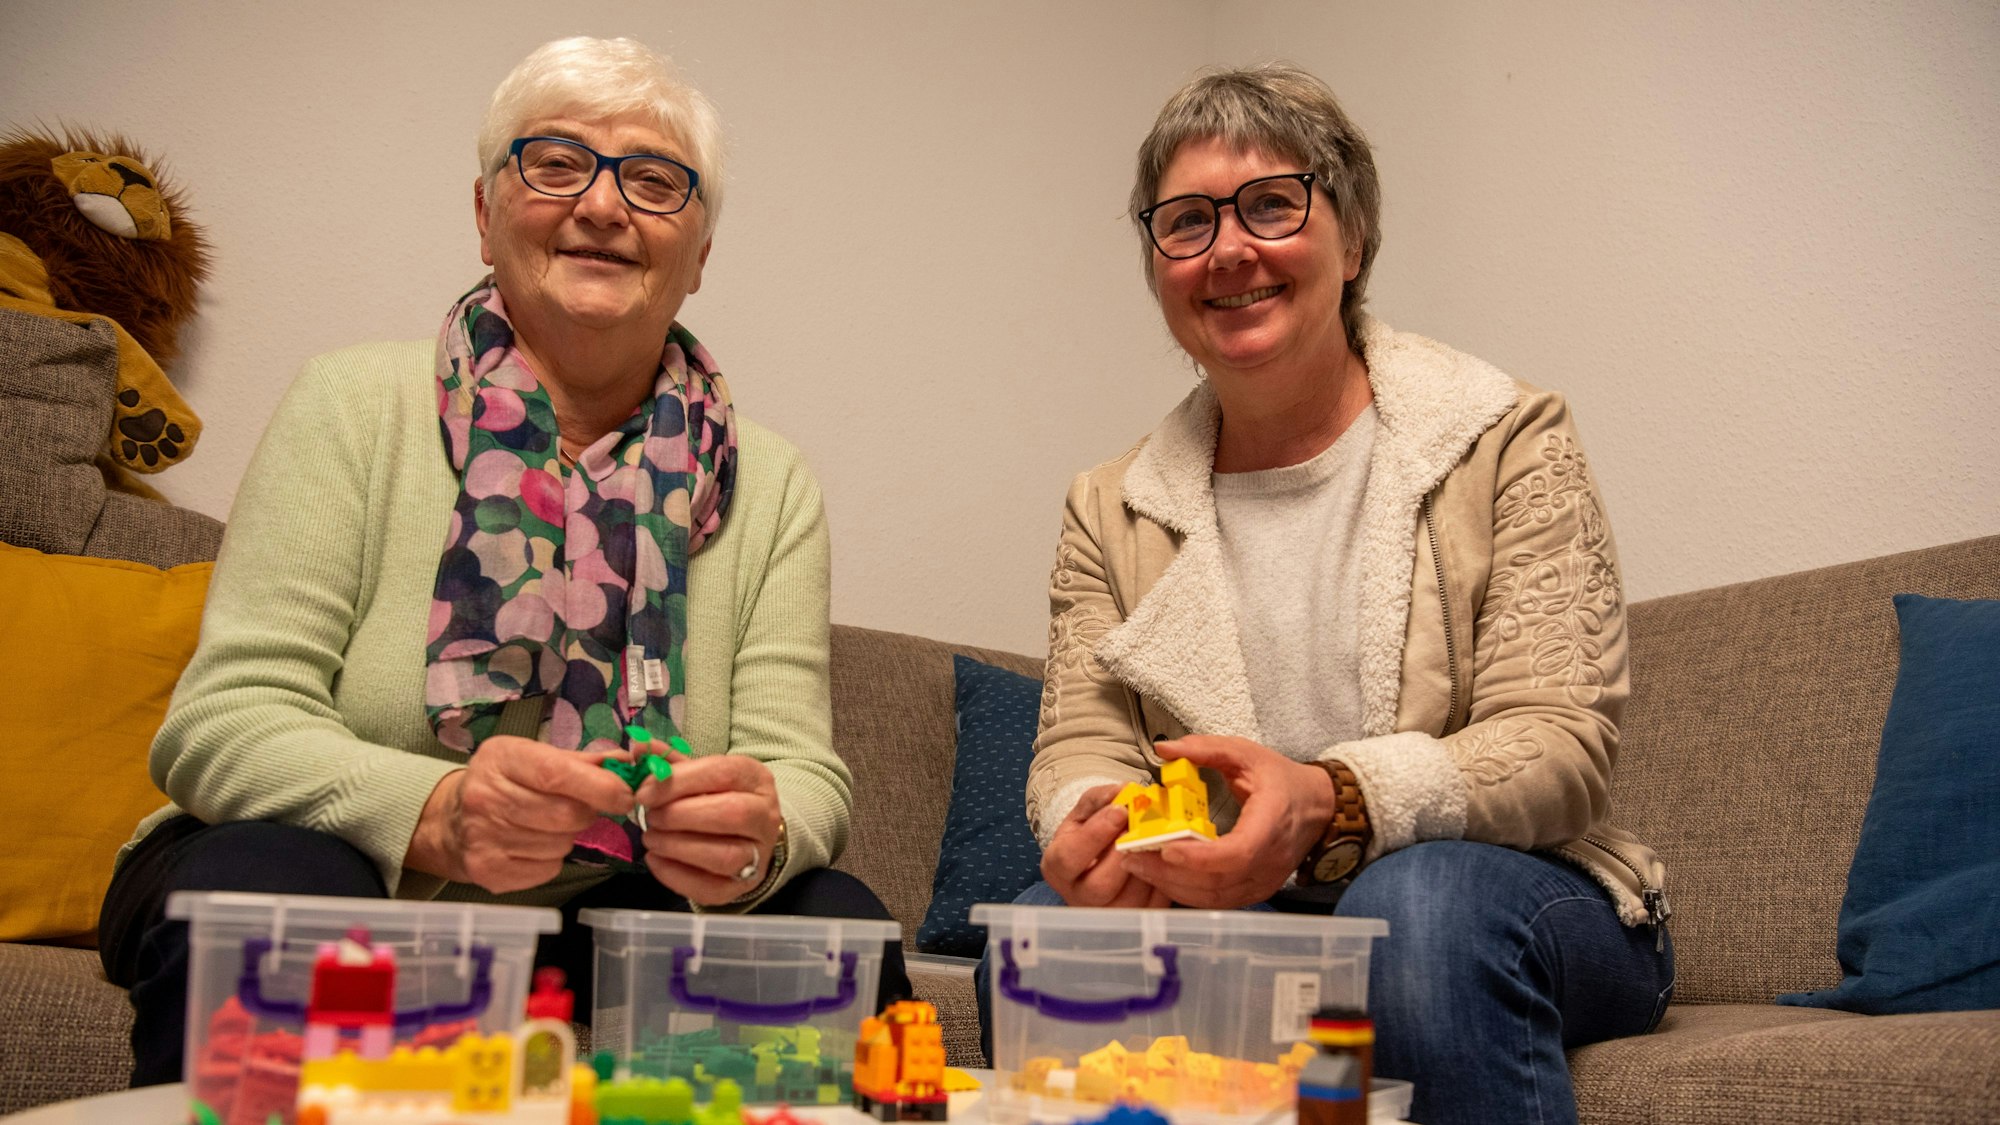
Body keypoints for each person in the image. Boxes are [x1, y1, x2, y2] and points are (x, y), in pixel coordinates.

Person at [98, 36, 907, 1085]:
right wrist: (434, 814)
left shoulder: (775, 482)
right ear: (485, 215)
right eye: (557, 163)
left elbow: (802, 774)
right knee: (279, 893)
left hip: (593, 921)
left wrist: (756, 834)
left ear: (699, 254)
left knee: (834, 927)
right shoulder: (351, 405)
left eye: (656, 183)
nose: (605, 207)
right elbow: (224, 721)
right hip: (338, 880)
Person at [993, 64, 1674, 1125]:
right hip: (1237, 914)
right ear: (1156, 266)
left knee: (1417, 908)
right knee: (1049, 928)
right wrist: (1096, 824)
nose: (1227, 249)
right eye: (1185, 223)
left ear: (1351, 241)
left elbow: (1555, 740)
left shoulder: (1504, 437)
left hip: (1516, 898)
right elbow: (1081, 743)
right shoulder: (1109, 505)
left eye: (1271, 204)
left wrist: (1330, 800)